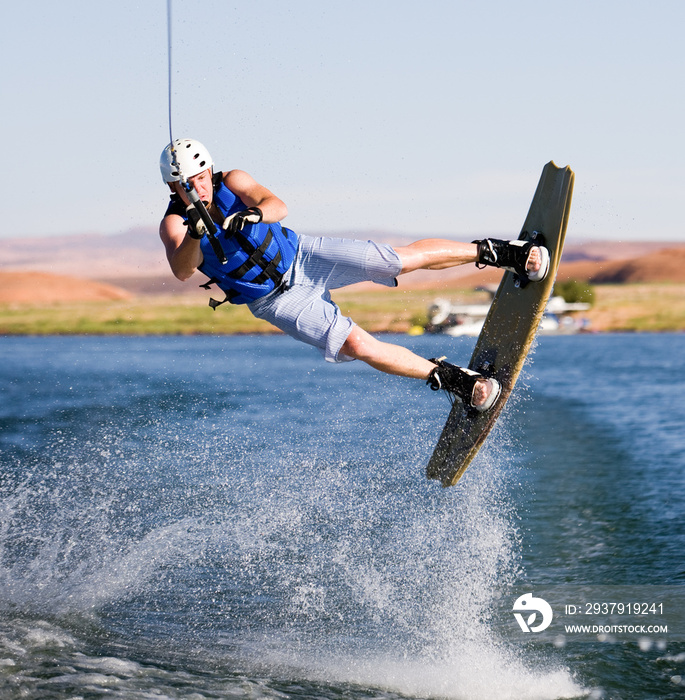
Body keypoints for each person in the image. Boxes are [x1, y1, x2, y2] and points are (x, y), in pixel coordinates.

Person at [159, 138, 549, 412]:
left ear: (209, 170)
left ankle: (502, 253)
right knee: (358, 346)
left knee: (397, 261)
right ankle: (457, 381)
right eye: (185, 184)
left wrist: (254, 214)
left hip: (306, 256)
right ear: (173, 186)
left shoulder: (232, 180)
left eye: (199, 178)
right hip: (275, 300)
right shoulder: (174, 223)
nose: (196, 188)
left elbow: (277, 205)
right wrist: (196, 229)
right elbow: (182, 269)